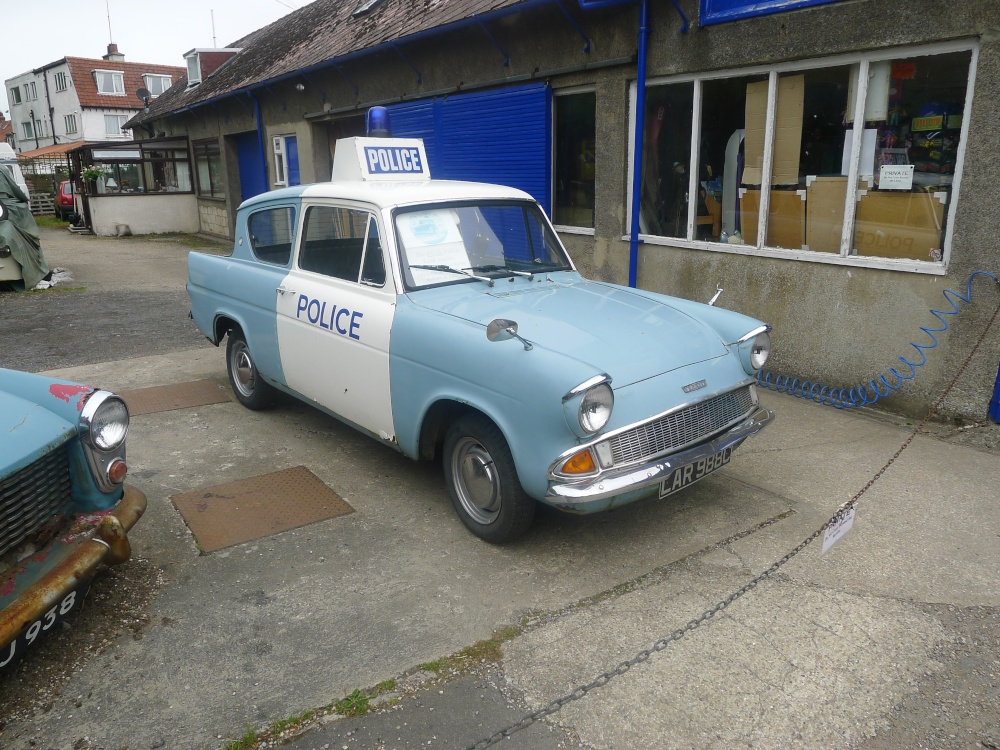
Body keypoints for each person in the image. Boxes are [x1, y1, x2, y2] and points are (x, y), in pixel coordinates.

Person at [0, 168, 50, 290]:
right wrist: (22, 198)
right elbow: (15, 189)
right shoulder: (2, 169)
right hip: (7, 206)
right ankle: (33, 268)